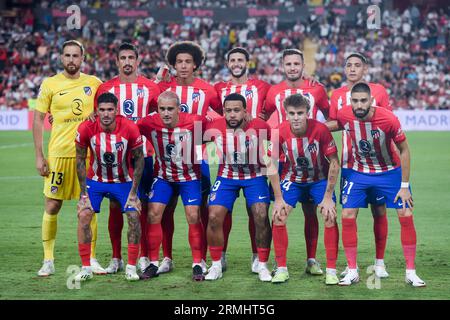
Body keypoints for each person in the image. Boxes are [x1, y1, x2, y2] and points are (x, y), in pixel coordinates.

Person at [330, 82, 425, 287]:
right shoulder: (345, 114)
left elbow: (405, 150)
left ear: (371, 101)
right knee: (347, 215)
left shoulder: (388, 119)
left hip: (389, 172)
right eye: (355, 101)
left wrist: (404, 186)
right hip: (359, 172)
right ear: (351, 101)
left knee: (406, 214)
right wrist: (307, 125)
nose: (359, 105)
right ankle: (352, 271)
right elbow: (333, 124)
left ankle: (411, 272)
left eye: (363, 100)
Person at [33, 40, 104, 277]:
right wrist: (39, 156)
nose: (71, 60)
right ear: (61, 58)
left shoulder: (93, 83)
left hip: (87, 156)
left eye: (76, 56)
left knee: (88, 208)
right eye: (67, 55)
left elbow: (109, 105)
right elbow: (38, 119)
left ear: (82, 58)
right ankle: (48, 260)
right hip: (59, 155)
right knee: (52, 205)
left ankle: (91, 258)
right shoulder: (50, 84)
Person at [156, 41, 222, 275]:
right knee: (166, 209)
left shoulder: (208, 90)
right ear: (173, 65)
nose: (183, 66)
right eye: (179, 62)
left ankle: (200, 259)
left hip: (196, 159)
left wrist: (206, 137)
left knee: (200, 211)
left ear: (195, 65)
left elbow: (222, 118)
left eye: (188, 62)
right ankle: (167, 257)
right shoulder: (164, 88)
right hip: (166, 158)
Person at [94, 42, 160, 274]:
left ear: (138, 60)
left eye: (131, 57)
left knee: (141, 205)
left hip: (144, 156)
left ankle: (142, 256)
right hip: (115, 159)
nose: (127, 62)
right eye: (123, 58)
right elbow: (98, 121)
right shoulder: (106, 88)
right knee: (115, 207)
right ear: (117, 61)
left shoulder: (151, 87)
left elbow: (159, 115)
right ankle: (116, 257)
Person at [264, 48, 331, 275]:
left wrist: (314, 133)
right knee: (277, 211)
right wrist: (277, 135)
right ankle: (276, 261)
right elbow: (264, 118)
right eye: (288, 64)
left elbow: (331, 119)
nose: (292, 67)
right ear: (282, 66)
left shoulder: (317, 89)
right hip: (283, 162)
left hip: (312, 160)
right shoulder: (274, 91)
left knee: (311, 211)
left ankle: (311, 259)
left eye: (296, 64)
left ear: (303, 66)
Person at [327, 52, 392, 278]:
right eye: (349, 65)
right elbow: (336, 122)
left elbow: (387, 121)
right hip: (349, 164)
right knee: (348, 213)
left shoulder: (379, 91)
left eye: (357, 65)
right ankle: (350, 265)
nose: (352, 69)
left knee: (379, 210)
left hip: (377, 165)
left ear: (365, 69)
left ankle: (380, 263)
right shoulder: (337, 95)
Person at [137, 91, 209, 281]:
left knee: (193, 214)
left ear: (179, 109)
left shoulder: (195, 121)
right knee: (153, 214)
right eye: (162, 109)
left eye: (170, 109)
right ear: (157, 109)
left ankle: (197, 263)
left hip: (190, 177)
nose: (166, 113)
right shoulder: (148, 123)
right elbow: (126, 128)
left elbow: (221, 127)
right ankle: (153, 262)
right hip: (163, 177)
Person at [270, 94, 340, 285]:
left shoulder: (321, 130)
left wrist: (327, 197)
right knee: (278, 215)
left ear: (307, 113)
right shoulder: (279, 131)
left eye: (300, 113)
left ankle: (330, 270)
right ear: (286, 114)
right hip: (293, 180)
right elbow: (271, 164)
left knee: (329, 215)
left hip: (319, 180)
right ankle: (282, 269)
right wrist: (278, 198)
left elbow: (334, 162)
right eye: (292, 113)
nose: (296, 117)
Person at [74, 92, 144, 282]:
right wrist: (83, 194)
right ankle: (86, 267)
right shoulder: (86, 127)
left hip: (123, 181)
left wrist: (134, 193)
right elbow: (80, 160)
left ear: (117, 110)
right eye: (102, 110)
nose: (106, 114)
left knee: (134, 215)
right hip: (95, 181)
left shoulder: (129, 127)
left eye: (110, 110)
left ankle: (130, 266)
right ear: (96, 110)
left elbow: (139, 160)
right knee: (84, 214)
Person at [203, 93, 273, 282]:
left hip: (255, 176)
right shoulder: (214, 127)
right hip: (226, 177)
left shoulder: (260, 126)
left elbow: (270, 155)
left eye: (236, 110)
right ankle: (217, 263)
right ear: (223, 112)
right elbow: (207, 151)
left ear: (245, 111)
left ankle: (262, 262)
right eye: (228, 111)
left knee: (261, 214)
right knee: (213, 215)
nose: (232, 114)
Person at [214, 47, 271, 273]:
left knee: (256, 212)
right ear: (227, 63)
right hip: (227, 158)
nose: (237, 63)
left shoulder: (263, 87)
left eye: (240, 59)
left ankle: (258, 257)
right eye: (232, 60)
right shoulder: (218, 88)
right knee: (220, 211)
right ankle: (221, 256)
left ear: (248, 62)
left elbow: (276, 105)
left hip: (255, 159)